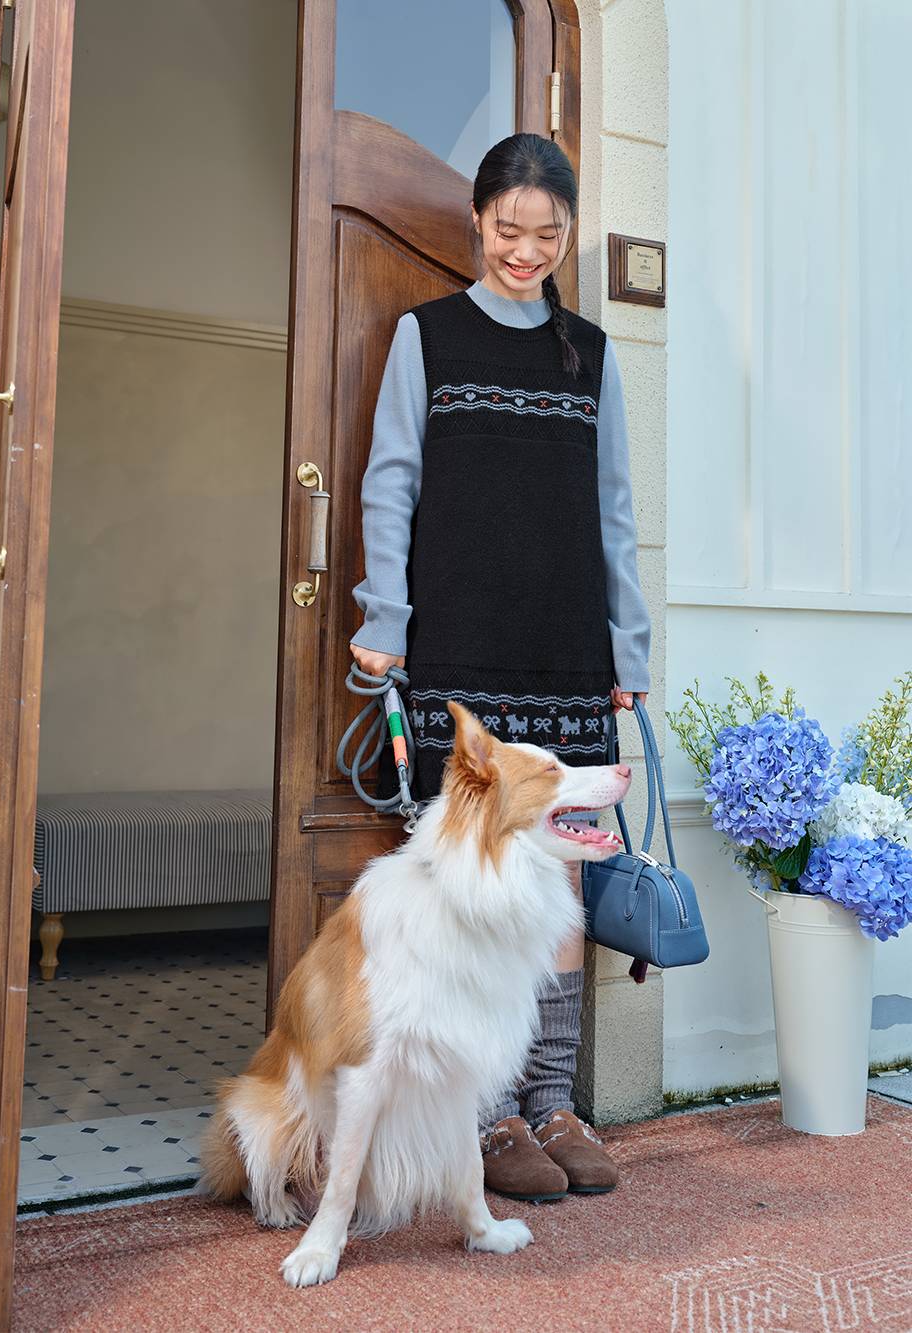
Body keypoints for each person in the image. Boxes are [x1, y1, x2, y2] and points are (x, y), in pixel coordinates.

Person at [348, 133, 650, 1202]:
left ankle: (552, 1103)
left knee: (559, 883)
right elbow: (390, 484)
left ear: (568, 233)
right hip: (460, 655)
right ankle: (481, 1121)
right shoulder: (425, 336)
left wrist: (628, 647)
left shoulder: (593, 354)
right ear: (476, 222)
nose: (527, 250)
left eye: (548, 234)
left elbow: (614, 512)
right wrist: (384, 617)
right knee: (468, 892)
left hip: (566, 645)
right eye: (509, 230)